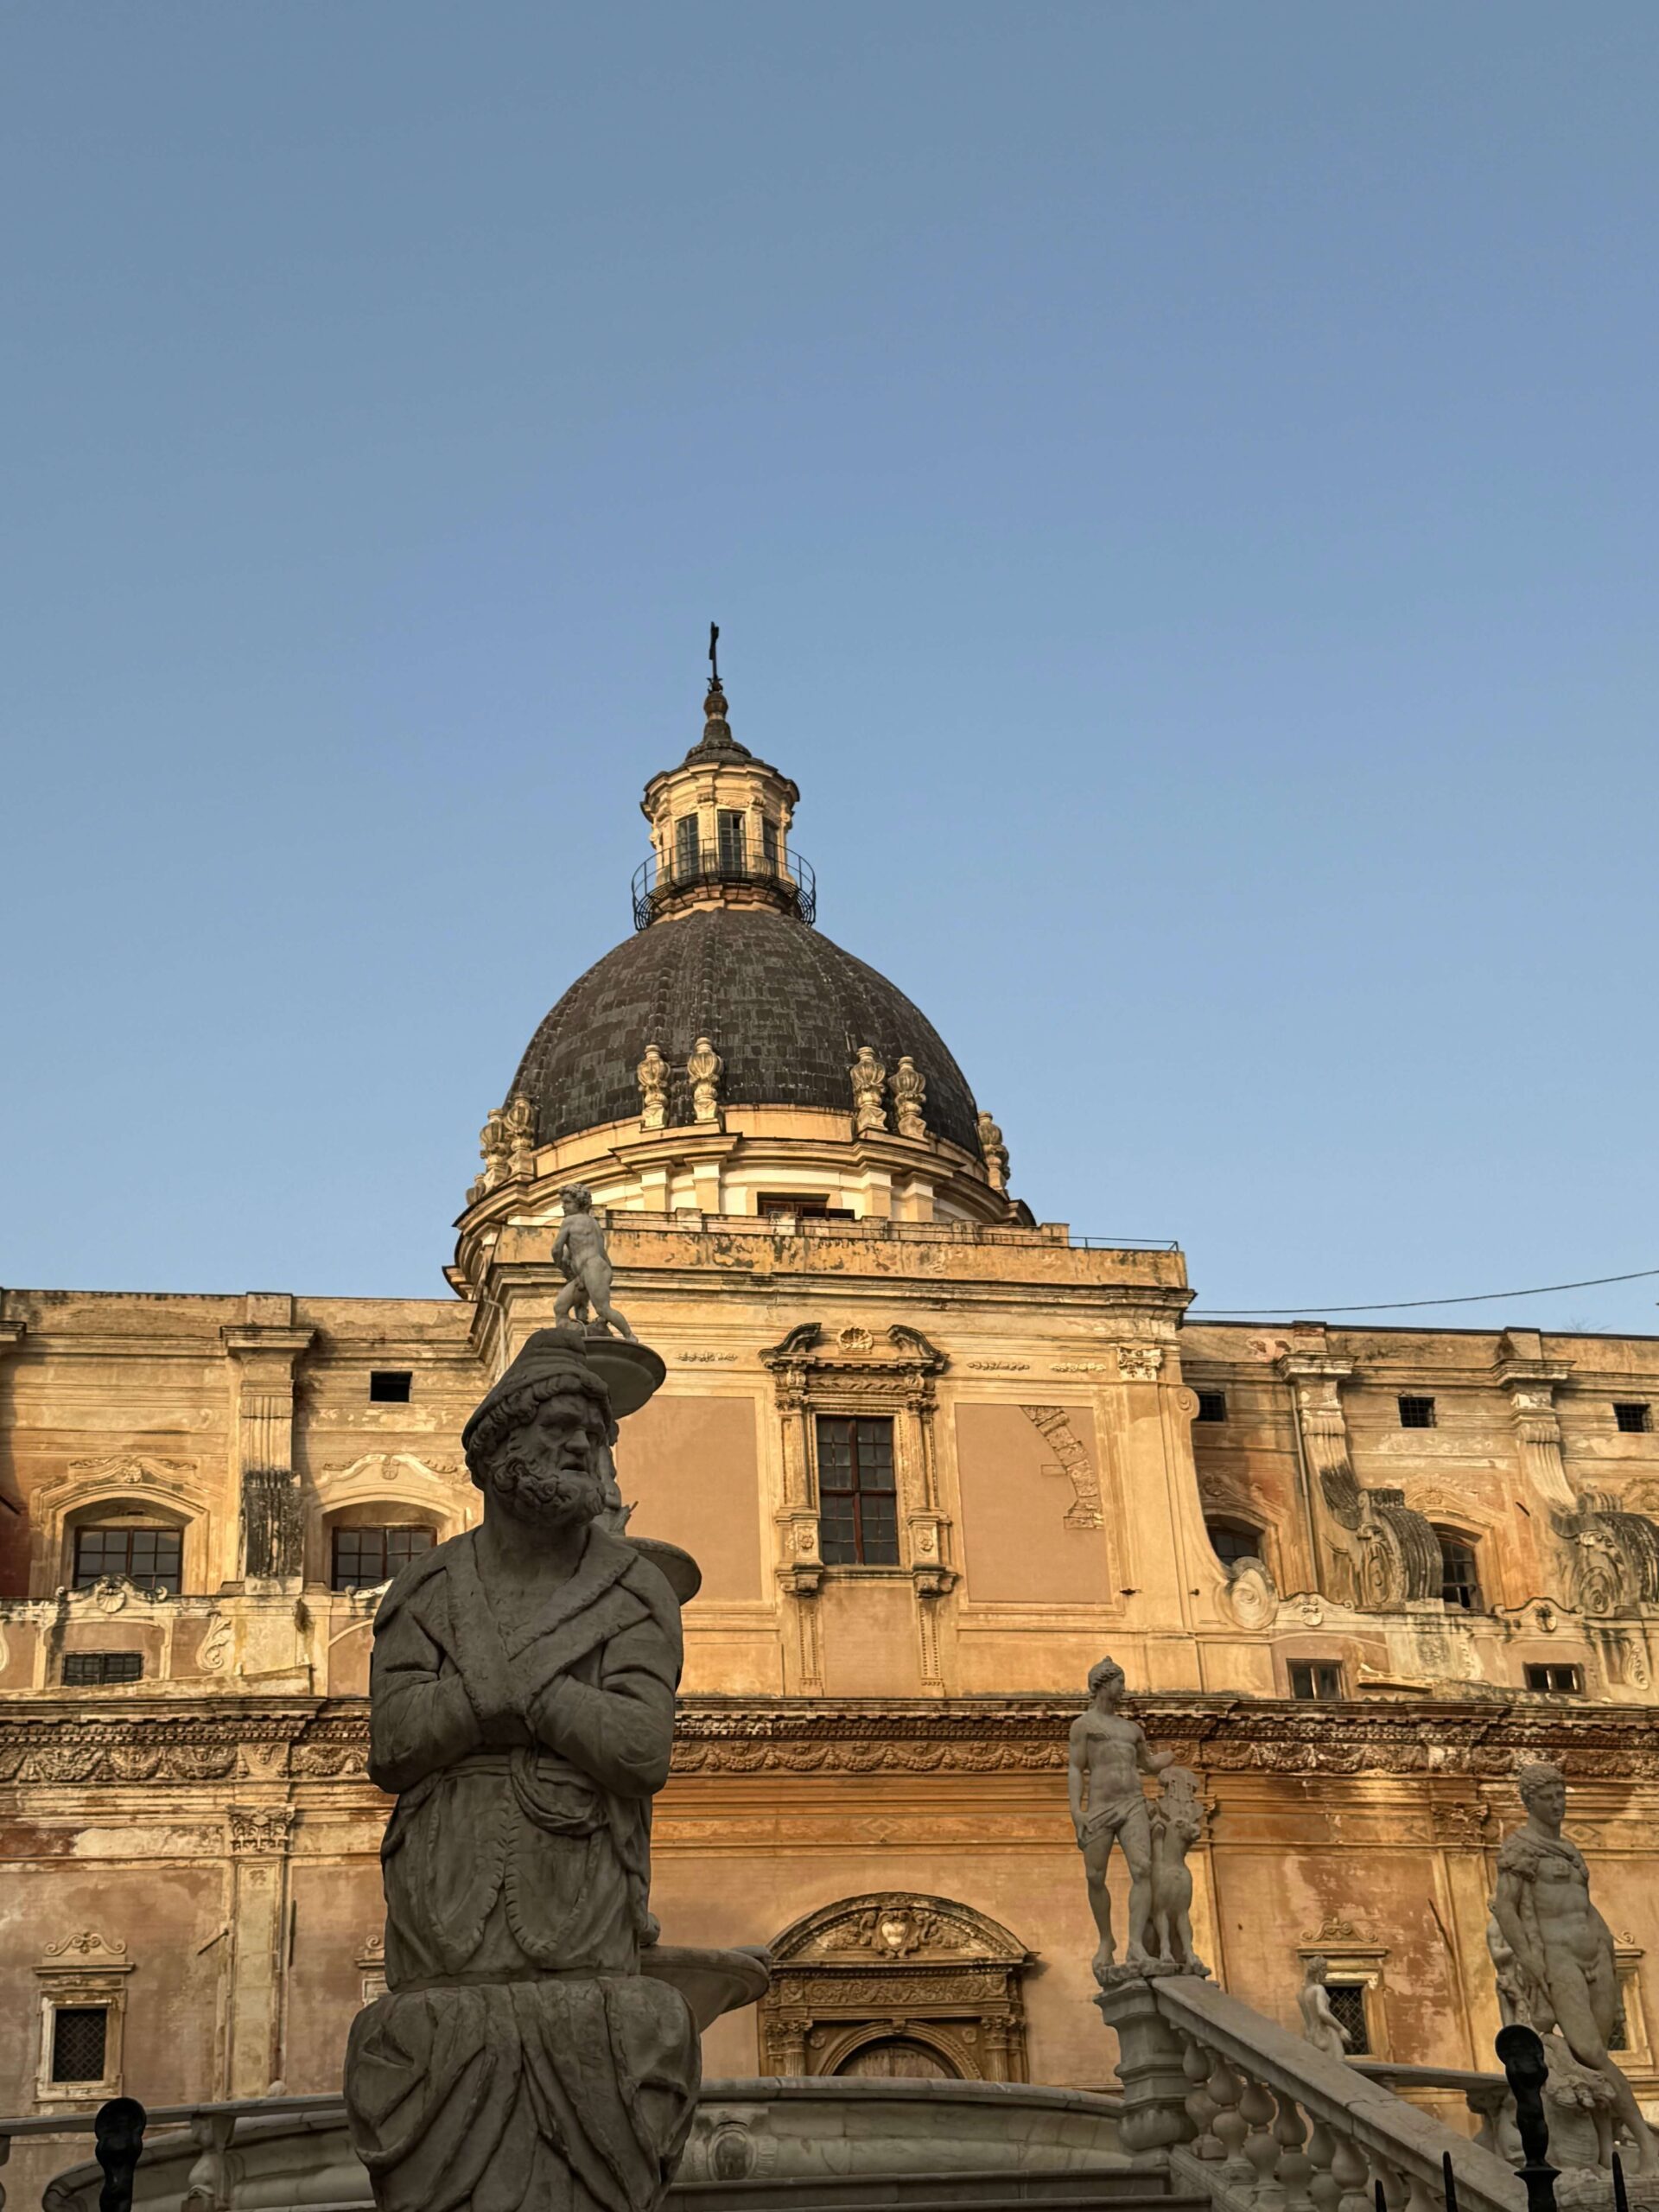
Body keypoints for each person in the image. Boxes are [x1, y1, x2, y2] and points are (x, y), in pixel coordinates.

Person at [343, 1326, 696, 2212]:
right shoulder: (424, 1591)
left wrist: (508, 1695)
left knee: (614, 2048)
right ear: (499, 1447)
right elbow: (393, 1745)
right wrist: (532, 1702)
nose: (582, 1444)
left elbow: (640, 1747)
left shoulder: (634, 1589)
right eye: (561, 1426)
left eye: (594, 1432)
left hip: (580, 1903)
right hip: (446, 1903)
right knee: (426, 2053)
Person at [1491, 1760, 1656, 2172]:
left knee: (1590, 2062)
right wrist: (1531, 1961)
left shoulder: (1568, 1848)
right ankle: (1645, 2140)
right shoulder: (1520, 1848)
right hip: (1557, 1958)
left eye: (1561, 1796)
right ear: (1530, 1801)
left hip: (1597, 1953)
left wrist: (1609, 1948)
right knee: (1591, 2051)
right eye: (1549, 1798)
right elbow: (1508, 1912)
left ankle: (1605, 2151)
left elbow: (1584, 1905)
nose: (1558, 1804)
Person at [1069, 1656, 1173, 1979]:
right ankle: (1105, 1939)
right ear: (1104, 1684)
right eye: (1119, 1682)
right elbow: (1076, 1767)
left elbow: (1148, 1765)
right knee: (1094, 1877)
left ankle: (1136, 1946)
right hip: (1100, 1806)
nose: (1124, 1688)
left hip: (1132, 1803)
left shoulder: (1132, 1729)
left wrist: (1169, 1757)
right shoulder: (1084, 1725)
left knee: (1142, 1870)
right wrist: (1077, 1811)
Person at [554, 1184, 637, 1339]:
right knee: (560, 1308)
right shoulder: (594, 1224)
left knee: (602, 1309)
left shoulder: (570, 1221)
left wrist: (562, 1268)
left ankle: (630, 1336)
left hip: (592, 1268)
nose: (563, 1207)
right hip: (591, 1271)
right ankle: (579, 1333)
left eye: (567, 1202)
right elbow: (593, 1251)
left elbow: (556, 1250)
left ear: (579, 1203)